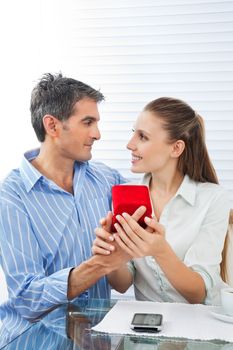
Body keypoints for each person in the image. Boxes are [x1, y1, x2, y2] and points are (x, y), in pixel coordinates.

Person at [0, 73, 143, 348]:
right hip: (35, 342)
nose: (97, 134)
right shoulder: (12, 195)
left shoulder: (106, 180)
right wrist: (100, 263)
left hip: (93, 341)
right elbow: (28, 298)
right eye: (87, 122)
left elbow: (157, 196)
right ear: (52, 126)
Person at [92, 97, 231, 306]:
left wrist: (160, 251)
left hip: (199, 327)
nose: (130, 145)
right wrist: (111, 258)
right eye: (133, 134)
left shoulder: (214, 198)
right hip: (147, 329)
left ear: (176, 148)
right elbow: (122, 284)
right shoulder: (129, 198)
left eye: (143, 137)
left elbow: (198, 294)